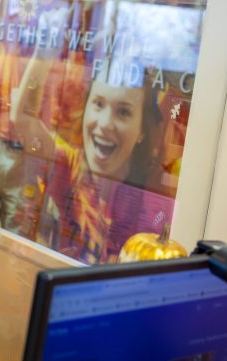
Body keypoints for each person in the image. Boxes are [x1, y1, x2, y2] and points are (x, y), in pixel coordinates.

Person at [10, 51, 171, 264]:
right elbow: (22, 119)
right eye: (98, 104)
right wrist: (46, 48)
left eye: (123, 112)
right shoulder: (70, 167)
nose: (105, 123)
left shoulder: (150, 199)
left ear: (142, 130)